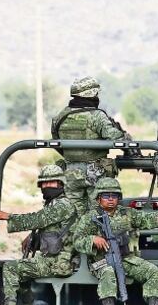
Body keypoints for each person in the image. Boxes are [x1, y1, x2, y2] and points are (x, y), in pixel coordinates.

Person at [70, 178, 158, 305]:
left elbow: (147, 219)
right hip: (100, 261)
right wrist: (92, 239)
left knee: (153, 272)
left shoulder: (126, 213)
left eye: (114, 196)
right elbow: (76, 240)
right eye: (106, 196)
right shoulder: (90, 218)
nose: (110, 199)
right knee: (108, 273)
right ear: (98, 198)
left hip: (124, 259)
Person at [0, 164, 81, 305]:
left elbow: (37, 219)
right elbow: (49, 226)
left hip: (59, 263)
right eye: (45, 183)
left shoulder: (63, 205)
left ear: (61, 184)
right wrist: (32, 237)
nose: (48, 186)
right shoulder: (54, 204)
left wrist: (6, 216)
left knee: (11, 268)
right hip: (55, 260)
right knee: (24, 270)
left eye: (52, 183)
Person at [51, 76, 127, 209]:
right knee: (98, 215)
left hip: (70, 172)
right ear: (91, 94)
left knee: (71, 215)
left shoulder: (60, 116)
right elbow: (117, 138)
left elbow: (56, 141)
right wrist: (124, 135)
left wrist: (73, 156)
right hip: (96, 173)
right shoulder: (97, 116)